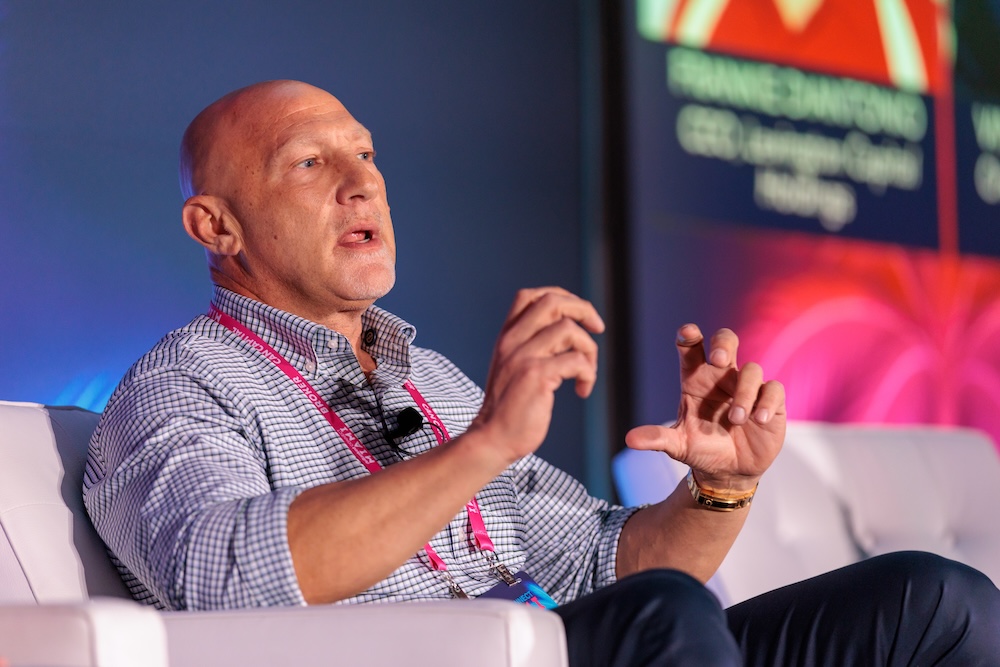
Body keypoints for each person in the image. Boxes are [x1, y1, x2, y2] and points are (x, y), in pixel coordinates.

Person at [83, 80, 1000, 666]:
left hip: (555, 643)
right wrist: (483, 445)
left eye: (365, 153)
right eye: (309, 163)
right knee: (663, 618)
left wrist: (720, 487)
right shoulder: (179, 386)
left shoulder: (433, 379)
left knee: (932, 597)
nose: (361, 183)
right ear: (216, 226)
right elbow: (224, 577)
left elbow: (609, 563)